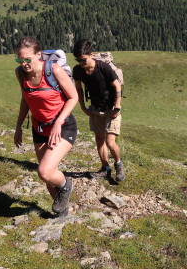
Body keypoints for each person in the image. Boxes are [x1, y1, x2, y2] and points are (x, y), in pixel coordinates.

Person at [13, 37, 78, 217]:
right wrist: (18, 126)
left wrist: (58, 122)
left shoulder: (54, 70)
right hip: (39, 128)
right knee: (47, 177)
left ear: (39, 55)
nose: (24, 64)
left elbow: (73, 97)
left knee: (45, 171)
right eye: (19, 59)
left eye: (28, 59)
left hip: (63, 126)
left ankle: (66, 184)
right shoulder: (20, 73)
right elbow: (25, 99)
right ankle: (62, 214)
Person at [72, 39, 125, 181]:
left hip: (111, 108)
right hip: (95, 108)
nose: (80, 63)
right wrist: (82, 106)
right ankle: (105, 168)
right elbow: (78, 88)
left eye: (83, 60)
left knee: (110, 142)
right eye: (77, 60)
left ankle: (118, 164)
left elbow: (117, 86)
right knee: (99, 140)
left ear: (91, 54)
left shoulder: (103, 67)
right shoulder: (78, 70)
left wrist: (118, 106)